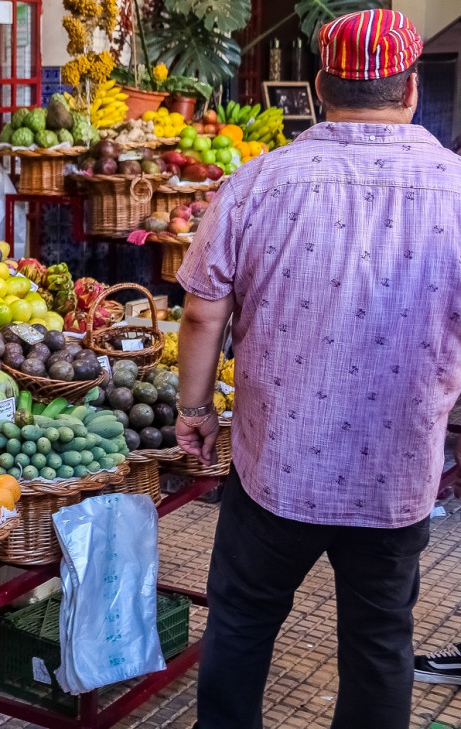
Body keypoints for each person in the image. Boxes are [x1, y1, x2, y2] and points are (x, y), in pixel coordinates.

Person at [174, 9, 461, 729]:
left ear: (317, 85)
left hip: (276, 466)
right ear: (410, 89)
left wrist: (194, 409)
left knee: (240, 622)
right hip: (393, 475)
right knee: (378, 640)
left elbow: (202, 311)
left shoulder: (258, 181)